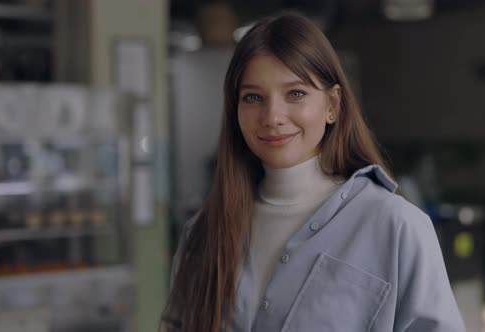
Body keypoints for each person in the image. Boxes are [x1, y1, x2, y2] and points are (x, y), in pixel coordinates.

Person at [161, 14, 464, 332]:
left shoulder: (396, 225)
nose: (273, 116)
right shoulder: (203, 232)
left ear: (332, 105)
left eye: (295, 94)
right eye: (253, 97)